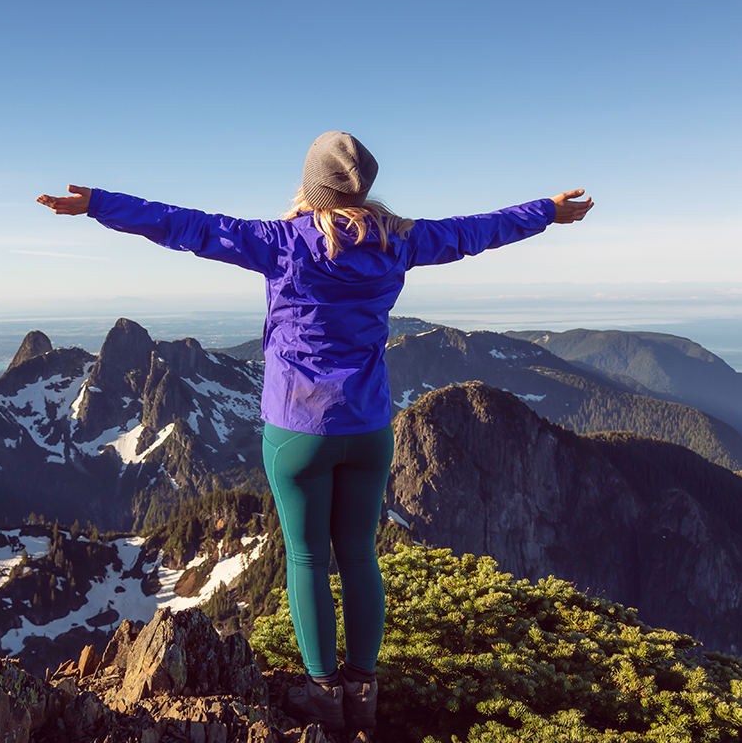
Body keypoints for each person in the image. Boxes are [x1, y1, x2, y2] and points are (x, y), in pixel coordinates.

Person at [37, 131, 593, 731]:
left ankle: (324, 695)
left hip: (299, 428)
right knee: (359, 556)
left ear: (311, 186)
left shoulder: (281, 242)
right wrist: (548, 212)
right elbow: (474, 231)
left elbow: (185, 226)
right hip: (371, 428)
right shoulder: (400, 240)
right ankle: (364, 692)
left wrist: (97, 204)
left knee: (306, 558)